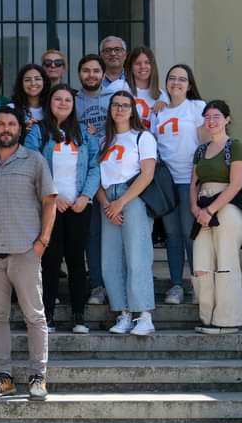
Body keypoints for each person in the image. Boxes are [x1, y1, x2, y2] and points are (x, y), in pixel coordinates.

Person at [0, 105, 57, 401]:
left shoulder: (34, 161)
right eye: (1, 124)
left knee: (34, 315)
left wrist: (42, 241)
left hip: (25, 251)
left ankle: (38, 376)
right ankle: (4, 377)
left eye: (11, 124)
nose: (6, 128)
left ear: (20, 129)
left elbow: (49, 202)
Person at [37, 84, 99, 335]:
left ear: (73, 106)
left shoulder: (84, 133)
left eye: (67, 100)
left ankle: (79, 316)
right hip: (51, 206)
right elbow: (34, 163)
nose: (63, 103)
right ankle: (47, 316)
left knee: (76, 261)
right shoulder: (39, 132)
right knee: (50, 261)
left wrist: (86, 196)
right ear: (49, 103)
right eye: (58, 99)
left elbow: (95, 166)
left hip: (78, 207)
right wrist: (52, 196)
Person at [95, 90, 157, 336]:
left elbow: (148, 174)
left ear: (133, 110)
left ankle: (144, 315)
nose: (119, 109)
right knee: (110, 259)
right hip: (107, 199)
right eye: (115, 105)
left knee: (137, 255)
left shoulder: (142, 137)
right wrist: (106, 204)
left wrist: (121, 202)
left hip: (132, 197)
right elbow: (97, 179)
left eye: (125, 105)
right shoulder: (103, 141)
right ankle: (123, 313)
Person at [190, 100, 242, 334]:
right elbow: (193, 184)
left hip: (226, 207)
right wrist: (195, 208)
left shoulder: (234, 146)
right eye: (207, 117)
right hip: (202, 208)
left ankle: (227, 320)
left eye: (216, 116)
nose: (211, 121)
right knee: (202, 265)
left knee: (226, 263)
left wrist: (210, 210)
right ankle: (207, 317)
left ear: (227, 119)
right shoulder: (201, 150)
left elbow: (235, 185)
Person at [75, 53, 129, 306]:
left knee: (118, 232)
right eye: (86, 71)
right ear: (79, 75)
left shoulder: (114, 100)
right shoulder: (72, 101)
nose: (91, 75)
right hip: (83, 178)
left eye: (96, 71)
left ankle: (120, 283)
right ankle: (97, 284)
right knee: (92, 235)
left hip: (113, 174)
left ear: (103, 73)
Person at [154, 64, 208, 305]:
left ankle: (199, 285)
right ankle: (176, 285)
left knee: (189, 233)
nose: (176, 82)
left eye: (182, 79)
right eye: (172, 78)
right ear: (166, 83)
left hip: (190, 180)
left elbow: (206, 144)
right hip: (167, 182)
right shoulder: (158, 112)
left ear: (189, 84)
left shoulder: (197, 107)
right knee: (172, 235)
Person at [126, 46, 168, 131]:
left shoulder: (161, 95)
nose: (143, 66)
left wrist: (166, 107)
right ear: (130, 67)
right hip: (127, 142)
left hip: (152, 142)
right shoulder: (121, 87)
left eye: (147, 62)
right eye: (137, 63)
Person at [10, 62, 48, 148]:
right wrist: (23, 131)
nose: (33, 83)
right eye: (27, 80)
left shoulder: (52, 108)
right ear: (21, 84)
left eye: (37, 79)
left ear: (44, 82)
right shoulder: (11, 109)